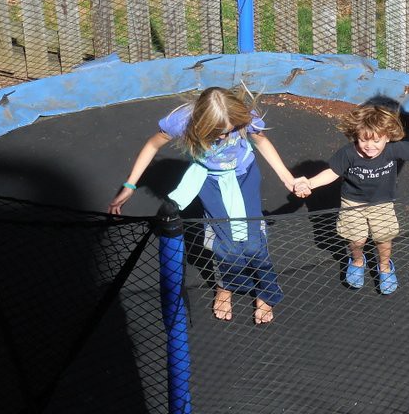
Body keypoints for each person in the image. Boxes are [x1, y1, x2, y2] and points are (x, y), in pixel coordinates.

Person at [108, 86, 300, 325]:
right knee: (225, 241)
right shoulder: (182, 121)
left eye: (231, 131)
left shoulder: (242, 116)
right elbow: (152, 146)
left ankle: (266, 290)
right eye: (218, 134)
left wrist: (287, 178)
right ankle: (226, 286)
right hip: (210, 180)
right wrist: (130, 185)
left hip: (245, 176)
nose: (225, 137)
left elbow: (262, 142)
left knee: (252, 242)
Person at [293, 105, 409, 294]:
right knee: (356, 239)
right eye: (364, 140)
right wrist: (310, 184)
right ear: (356, 136)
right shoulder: (348, 154)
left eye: (376, 141)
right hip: (352, 203)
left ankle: (384, 266)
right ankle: (357, 260)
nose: (369, 147)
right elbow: (331, 173)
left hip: (382, 204)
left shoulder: (393, 149)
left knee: (383, 238)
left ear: (387, 137)